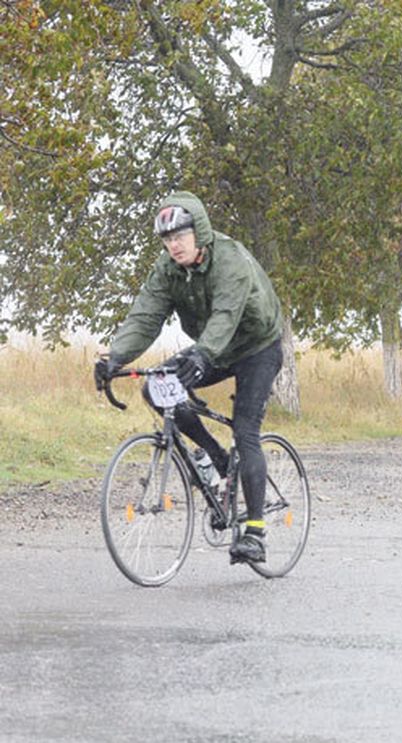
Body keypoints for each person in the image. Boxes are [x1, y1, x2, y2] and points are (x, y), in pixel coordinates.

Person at [92, 191, 284, 565]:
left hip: (257, 348)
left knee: (246, 432)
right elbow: (145, 316)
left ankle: (255, 533)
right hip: (215, 348)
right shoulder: (167, 270)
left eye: (179, 236)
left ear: (199, 232)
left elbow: (227, 314)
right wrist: (114, 357)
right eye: (166, 240)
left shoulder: (230, 259)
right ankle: (215, 456)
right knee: (157, 385)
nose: (173, 245)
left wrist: (202, 353)